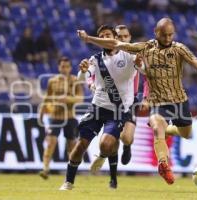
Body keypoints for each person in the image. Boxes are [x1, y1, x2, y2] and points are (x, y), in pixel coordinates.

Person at [77, 17, 197, 185]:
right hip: (157, 102)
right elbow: (115, 45)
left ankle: (170, 129)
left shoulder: (179, 49)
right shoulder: (145, 47)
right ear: (156, 32)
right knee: (158, 131)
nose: (167, 38)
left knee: (186, 134)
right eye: (164, 35)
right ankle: (163, 165)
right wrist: (88, 39)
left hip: (179, 101)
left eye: (170, 35)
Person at [59, 25, 142, 190]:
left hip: (118, 111)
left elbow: (143, 70)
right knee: (81, 144)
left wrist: (141, 65)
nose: (104, 38)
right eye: (102, 35)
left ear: (114, 38)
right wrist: (82, 72)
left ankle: (103, 156)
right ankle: (68, 182)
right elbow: (82, 78)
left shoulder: (130, 56)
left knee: (106, 144)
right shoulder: (94, 59)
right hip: (97, 108)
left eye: (107, 35)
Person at [89, 25, 140, 174]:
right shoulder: (105, 57)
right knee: (112, 136)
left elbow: (148, 75)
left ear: (129, 38)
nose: (123, 39)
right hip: (109, 102)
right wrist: (91, 84)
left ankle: (127, 146)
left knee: (127, 137)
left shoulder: (133, 54)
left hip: (129, 101)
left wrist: (146, 97)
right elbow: (92, 74)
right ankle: (106, 155)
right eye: (120, 36)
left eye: (126, 36)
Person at [38, 57, 83, 179]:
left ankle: (71, 170)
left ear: (70, 68)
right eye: (62, 66)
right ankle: (45, 168)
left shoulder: (75, 81)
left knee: (71, 145)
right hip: (55, 116)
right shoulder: (52, 81)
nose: (64, 69)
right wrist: (41, 112)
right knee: (51, 142)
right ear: (59, 67)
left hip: (70, 117)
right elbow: (47, 98)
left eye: (67, 66)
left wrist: (67, 99)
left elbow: (80, 98)